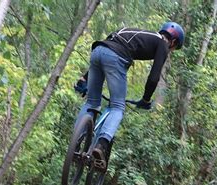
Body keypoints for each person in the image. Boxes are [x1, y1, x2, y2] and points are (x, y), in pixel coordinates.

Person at [74, 22, 185, 166]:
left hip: (97, 50)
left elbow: (106, 49)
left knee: (91, 102)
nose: (171, 51)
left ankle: (75, 142)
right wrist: (145, 99)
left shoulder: (134, 31)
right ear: (173, 42)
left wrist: (85, 78)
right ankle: (101, 145)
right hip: (116, 57)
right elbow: (153, 77)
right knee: (117, 107)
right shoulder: (163, 43)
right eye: (174, 49)